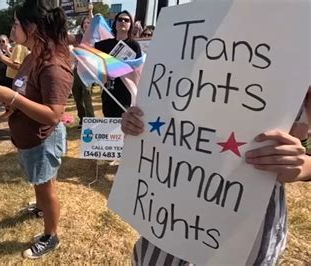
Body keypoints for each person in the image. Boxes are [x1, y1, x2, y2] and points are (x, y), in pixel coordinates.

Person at [120, 87, 311, 265]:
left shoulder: (298, 57)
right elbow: (161, 118)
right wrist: (138, 122)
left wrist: (301, 166)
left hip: (247, 211)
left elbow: (301, 140)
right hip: (173, 200)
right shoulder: (177, 54)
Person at [0, 0, 73, 259]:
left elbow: (54, 114)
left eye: (15, 23)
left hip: (43, 138)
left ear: (31, 27)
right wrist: (11, 105)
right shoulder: (33, 54)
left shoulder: (53, 64)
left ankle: (51, 235)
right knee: (40, 183)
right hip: (29, 138)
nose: (12, 29)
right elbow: (24, 90)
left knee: (47, 187)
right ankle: (40, 208)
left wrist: (13, 100)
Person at [95, 11, 142, 118]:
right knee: (108, 120)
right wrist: (93, 20)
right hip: (108, 91)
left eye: (127, 20)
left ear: (131, 25)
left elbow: (138, 71)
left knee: (123, 123)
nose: (123, 22)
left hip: (126, 92)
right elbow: (88, 47)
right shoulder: (104, 44)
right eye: (120, 19)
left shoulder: (134, 45)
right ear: (115, 23)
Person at [71, 3, 95, 129]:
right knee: (77, 95)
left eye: (88, 22)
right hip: (77, 69)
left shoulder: (93, 37)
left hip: (89, 70)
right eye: (85, 23)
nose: (87, 24)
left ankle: (90, 121)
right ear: (82, 25)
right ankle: (82, 120)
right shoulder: (78, 37)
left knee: (87, 95)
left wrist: (90, 11)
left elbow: (94, 21)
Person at [0, 30, 30, 119]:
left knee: (13, 99)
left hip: (14, 78)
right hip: (10, 78)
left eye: (15, 27)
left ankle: (16, 115)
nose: (13, 29)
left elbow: (17, 65)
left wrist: (2, 58)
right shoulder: (18, 46)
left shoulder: (19, 47)